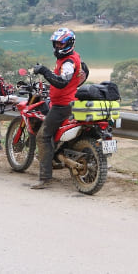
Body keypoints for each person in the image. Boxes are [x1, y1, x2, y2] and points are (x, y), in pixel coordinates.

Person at [29, 27, 83, 189]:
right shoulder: (71, 58)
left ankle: (45, 178)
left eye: (61, 44)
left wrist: (44, 71)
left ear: (69, 43)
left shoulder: (68, 62)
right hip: (69, 102)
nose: (58, 47)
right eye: (56, 44)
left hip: (62, 105)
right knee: (52, 134)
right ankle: (57, 158)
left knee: (42, 136)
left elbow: (61, 82)